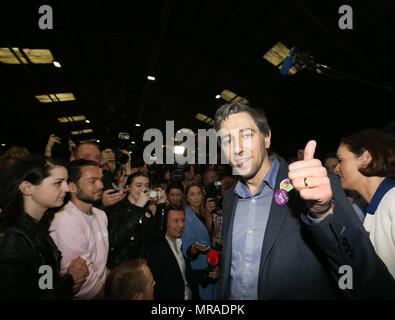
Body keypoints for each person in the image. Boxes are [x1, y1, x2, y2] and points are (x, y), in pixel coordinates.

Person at [214, 102, 395, 299]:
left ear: (267, 138)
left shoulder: (313, 185)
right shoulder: (230, 197)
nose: (237, 149)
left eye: (247, 135)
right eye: (226, 141)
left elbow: (361, 274)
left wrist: (324, 213)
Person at [0, 155, 89, 299]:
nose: (67, 188)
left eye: (66, 181)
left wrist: (62, 279)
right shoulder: (12, 240)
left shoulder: (37, 226)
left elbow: (42, 283)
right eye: (58, 183)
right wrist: (69, 280)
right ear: (27, 188)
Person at [335, 129, 395, 278]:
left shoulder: (392, 200)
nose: (336, 169)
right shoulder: (372, 211)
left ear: (365, 158)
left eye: (341, 160)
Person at [49, 159, 109, 299]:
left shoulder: (101, 215)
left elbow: (99, 265)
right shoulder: (65, 221)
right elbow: (85, 286)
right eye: (92, 181)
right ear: (72, 187)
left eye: (101, 179)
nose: (101, 185)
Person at [147, 204, 219, 300]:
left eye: (183, 220)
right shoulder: (156, 249)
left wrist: (209, 272)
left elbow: (187, 275)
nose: (181, 225)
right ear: (165, 223)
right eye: (176, 221)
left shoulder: (180, 243)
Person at [105, 172, 167, 269]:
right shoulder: (116, 208)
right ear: (128, 187)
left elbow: (157, 235)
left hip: (140, 266)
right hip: (120, 267)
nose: (143, 189)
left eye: (147, 186)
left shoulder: (146, 210)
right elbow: (116, 239)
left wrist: (161, 207)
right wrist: (138, 207)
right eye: (138, 185)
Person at [181, 184, 217, 300]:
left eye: (198, 193)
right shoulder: (187, 217)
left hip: (209, 261)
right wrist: (194, 248)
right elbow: (187, 249)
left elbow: (209, 235)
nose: (196, 197)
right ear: (186, 198)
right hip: (197, 265)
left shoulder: (203, 212)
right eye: (192, 194)